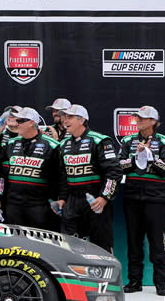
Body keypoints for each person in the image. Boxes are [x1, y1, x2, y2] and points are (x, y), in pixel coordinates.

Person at [118, 106, 165, 296]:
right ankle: (135, 281)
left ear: (153, 121)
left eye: (142, 118)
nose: (138, 120)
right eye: (137, 118)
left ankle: (160, 283)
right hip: (132, 196)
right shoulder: (127, 140)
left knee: (157, 242)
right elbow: (119, 166)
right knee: (134, 241)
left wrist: (149, 157)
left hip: (155, 198)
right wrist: (136, 158)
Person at [56, 104, 122, 253]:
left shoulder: (100, 141)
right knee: (70, 247)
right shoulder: (64, 145)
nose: (65, 120)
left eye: (70, 117)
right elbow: (63, 176)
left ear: (82, 119)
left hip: (95, 200)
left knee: (101, 247)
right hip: (73, 201)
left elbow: (114, 172)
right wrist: (62, 198)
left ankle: (105, 277)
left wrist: (104, 197)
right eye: (64, 117)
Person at [0, 107, 61, 230]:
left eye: (20, 121)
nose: (17, 124)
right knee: (15, 244)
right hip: (13, 204)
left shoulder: (52, 145)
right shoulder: (12, 143)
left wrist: (61, 199)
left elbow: (61, 176)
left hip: (38, 205)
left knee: (38, 243)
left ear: (31, 122)